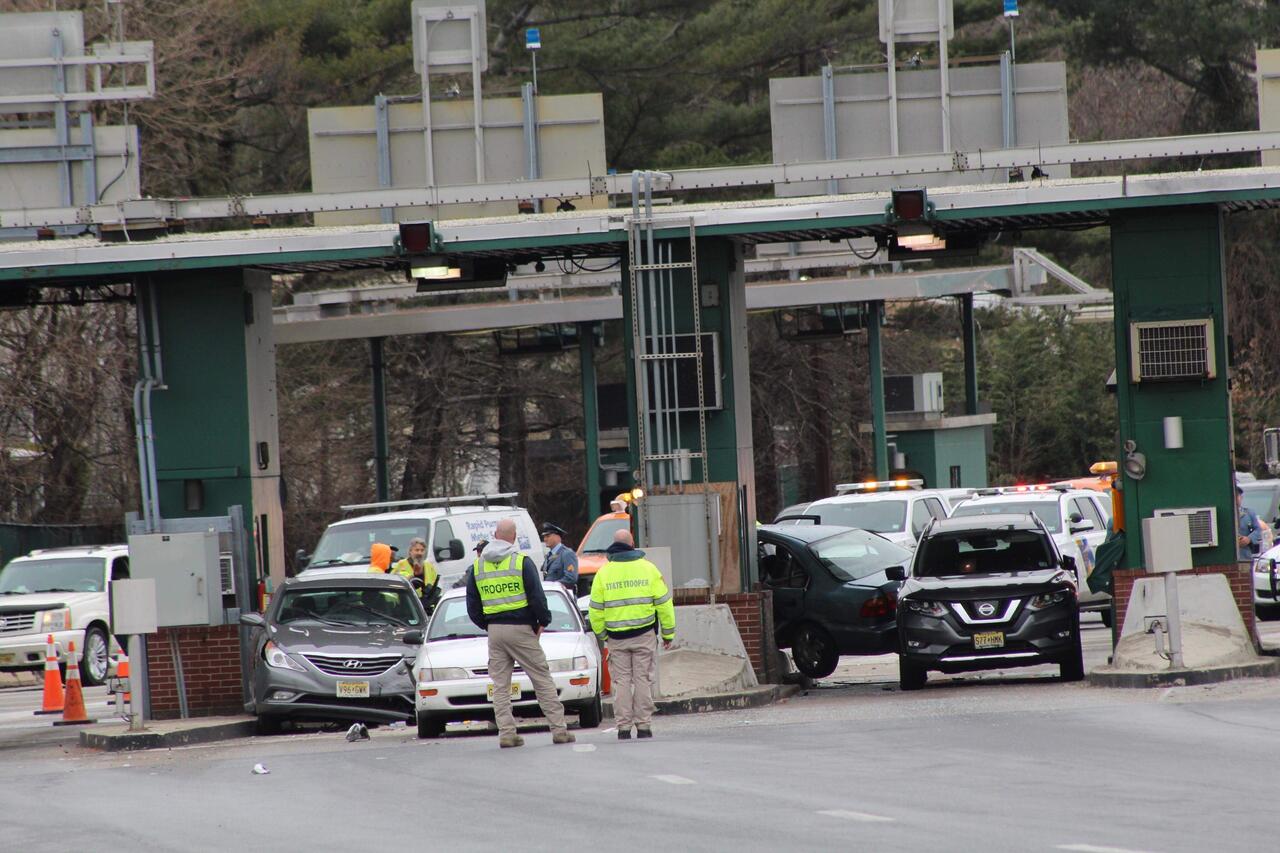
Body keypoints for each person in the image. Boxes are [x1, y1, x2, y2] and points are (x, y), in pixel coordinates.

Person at [466, 519, 575, 749]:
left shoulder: (477, 566)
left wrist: (488, 625)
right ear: (514, 537)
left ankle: (507, 733)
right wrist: (542, 621)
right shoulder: (521, 562)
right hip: (522, 629)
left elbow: (472, 606)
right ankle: (559, 730)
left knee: (500, 685)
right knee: (541, 678)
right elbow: (537, 597)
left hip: (495, 631)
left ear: (495, 535)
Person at [589, 529, 675, 741]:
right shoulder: (648, 569)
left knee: (621, 682)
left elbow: (595, 609)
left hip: (616, 638)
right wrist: (668, 633)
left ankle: (624, 728)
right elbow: (664, 604)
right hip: (644, 634)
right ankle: (644, 726)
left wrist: (602, 634)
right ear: (632, 544)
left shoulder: (603, 573)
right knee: (643, 680)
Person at [391, 537, 439, 603]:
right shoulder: (401, 564)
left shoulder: (428, 565)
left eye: (422, 550)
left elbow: (436, 584)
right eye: (417, 550)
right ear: (410, 551)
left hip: (427, 604)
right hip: (409, 603)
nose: (420, 553)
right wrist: (414, 575)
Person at [539, 522, 579, 594]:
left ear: (557, 537)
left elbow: (570, 578)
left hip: (563, 597)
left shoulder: (567, 554)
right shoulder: (549, 556)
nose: (545, 539)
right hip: (553, 596)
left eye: (548, 536)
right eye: (544, 537)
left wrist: (551, 587)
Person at [1238, 486, 1263, 561]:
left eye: (1237, 495)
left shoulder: (1249, 513)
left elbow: (1258, 530)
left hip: (1245, 554)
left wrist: (1249, 539)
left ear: (1241, 498)